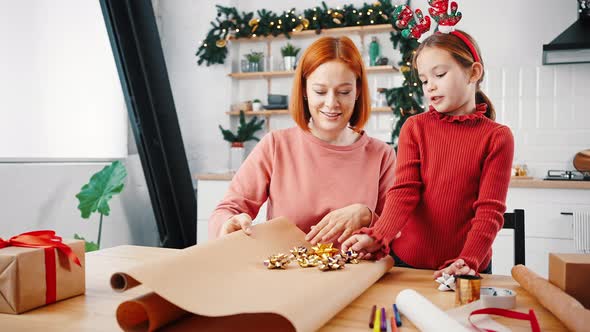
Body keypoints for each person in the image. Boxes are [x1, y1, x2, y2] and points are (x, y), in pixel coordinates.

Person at [342, 30, 514, 278]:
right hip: (408, 263)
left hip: (465, 266)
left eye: (440, 74)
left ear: (474, 73)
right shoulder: (415, 127)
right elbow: (404, 191)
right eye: (424, 80)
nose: (430, 86)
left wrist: (469, 260)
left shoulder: (497, 137)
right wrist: (379, 236)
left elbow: (489, 210)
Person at [208, 36, 396, 244]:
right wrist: (229, 223)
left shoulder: (382, 155)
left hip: (358, 275)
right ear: (305, 90)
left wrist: (366, 215)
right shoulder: (276, 146)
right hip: (288, 274)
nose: (331, 103)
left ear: (358, 91)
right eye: (320, 91)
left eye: (344, 92)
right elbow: (227, 210)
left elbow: (398, 232)